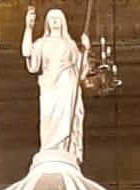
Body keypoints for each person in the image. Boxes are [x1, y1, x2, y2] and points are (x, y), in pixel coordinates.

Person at [22, 6, 90, 164]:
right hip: (49, 86)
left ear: (62, 23)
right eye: (51, 19)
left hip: (67, 84)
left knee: (65, 118)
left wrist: (85, 49)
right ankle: (49, 148)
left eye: (57, 18)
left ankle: (64, 149)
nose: (54, 21)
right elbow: (27, 52)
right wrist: (28, 27)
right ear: (46, 23)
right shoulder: (42, 43)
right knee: (48, 116)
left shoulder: (70, 45)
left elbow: (81, 70)